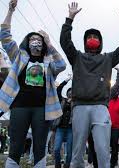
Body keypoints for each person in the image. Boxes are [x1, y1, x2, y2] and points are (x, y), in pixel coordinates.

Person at [60, 2, 119, 167]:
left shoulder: (107, 58)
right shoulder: (76, 57)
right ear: (85, 42)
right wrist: (69, 19)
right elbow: (65, 42)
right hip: (79, 107)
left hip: (101, 108)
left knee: (102, 150)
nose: (92, 39)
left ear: (100, 42)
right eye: (89, 37)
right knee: (78, 150)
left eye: (96, 37)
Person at [0, 0, 66, 167]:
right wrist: (10, 11)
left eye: (39, 39)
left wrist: (50, 44)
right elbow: (4, 35)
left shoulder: (48, 62)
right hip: (19, 106)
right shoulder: (19, 56)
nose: (36, 41)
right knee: (15, 146)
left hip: (42, 109)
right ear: (27, 42)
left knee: (39, 148)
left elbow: (62, 65)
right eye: (32, 39)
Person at [54, 78, 73, 168]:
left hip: (70, 129)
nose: (70, 93)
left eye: (72, 92)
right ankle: (57, 165)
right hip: (60, 127)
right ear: (67, 93)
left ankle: (67, 165)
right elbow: (58, 89)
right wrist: (66, 80)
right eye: (69, 91)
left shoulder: (76, 103)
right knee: (56, 149)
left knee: (69, 151)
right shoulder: (62, 100)